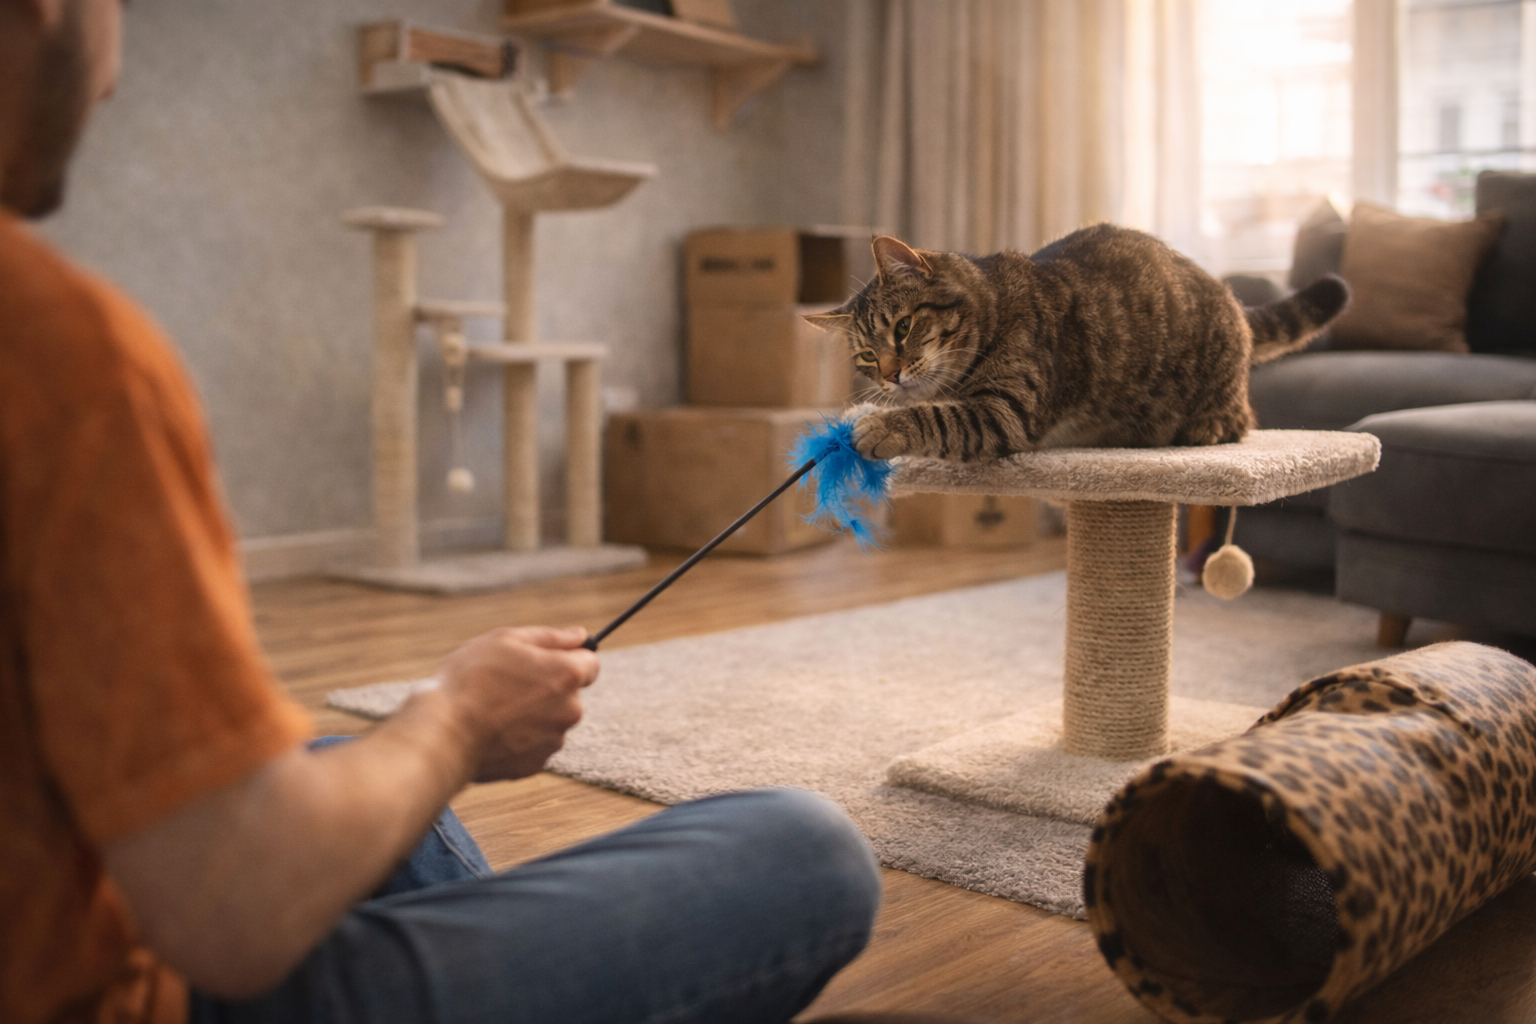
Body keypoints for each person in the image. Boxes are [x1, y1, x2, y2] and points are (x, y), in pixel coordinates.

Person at [0, 1, 883, 1021]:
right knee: (807, 851)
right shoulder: (59, 354)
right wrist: (457, 719)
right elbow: (232, 915)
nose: (111, 76)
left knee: (342, 770)